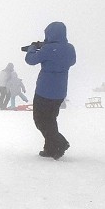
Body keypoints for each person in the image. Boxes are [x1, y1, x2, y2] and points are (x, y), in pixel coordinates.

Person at [25, 21, 76, 159]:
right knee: (51, 119)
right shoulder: (70, 49)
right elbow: (70, 60)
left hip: (44, 91)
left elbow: (30, 60)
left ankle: (60, 143)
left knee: (40, 120)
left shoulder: (48, 49)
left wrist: (32, 48)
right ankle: (50, 149)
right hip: (60, 92)